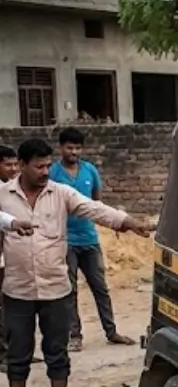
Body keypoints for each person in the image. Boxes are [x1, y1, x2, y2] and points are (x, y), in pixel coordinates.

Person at [0, 138, 152, 387]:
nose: (45, 171)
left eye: (47, 165)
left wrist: (128, 222)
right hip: (17, 290)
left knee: (57, 355)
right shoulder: (3, 196)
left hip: (56, 289)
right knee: (18, 357)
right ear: (21, 165)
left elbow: (95, 209)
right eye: (39, 166)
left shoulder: (61, 193)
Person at [50, 128, 135, 351]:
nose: (74, 152)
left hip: (90, 239)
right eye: (70, 147)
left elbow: (97, 205)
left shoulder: (90, 171)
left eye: (78, 148)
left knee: (100, 288)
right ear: (61, 148)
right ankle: (74, 336)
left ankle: (111, 331)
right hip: (65, 241)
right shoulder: (52, 173)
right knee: (70, 290)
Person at [0, 145, 17, 371]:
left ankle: (14, 351)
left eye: (15, 164)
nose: (13, 169)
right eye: (8, 164)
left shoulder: (12, 189)